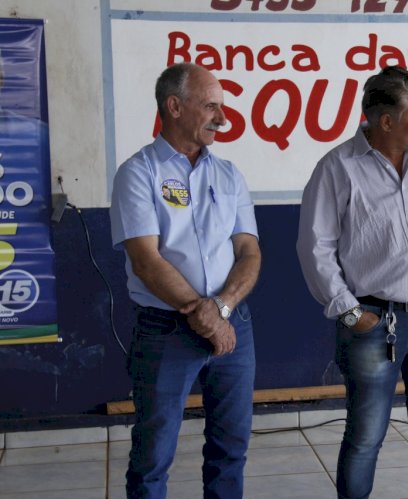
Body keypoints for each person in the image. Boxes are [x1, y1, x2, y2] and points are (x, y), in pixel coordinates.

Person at [297, 66, 408, 499]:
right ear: (386, 121)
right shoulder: (337, 168)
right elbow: (314, 248)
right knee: (365, 435)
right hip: (372, 324)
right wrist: (350, 312)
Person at [110, 62, 261, 499]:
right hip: (165, 330)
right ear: (174, 107)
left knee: (231, 447)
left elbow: (249, 251)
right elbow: (146, 261)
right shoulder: (138, 173)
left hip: (235, 324)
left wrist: (223, 308)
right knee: (153, 455)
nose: (223, 117)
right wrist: (207, 316)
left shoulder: (229, 174)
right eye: (211, 106)